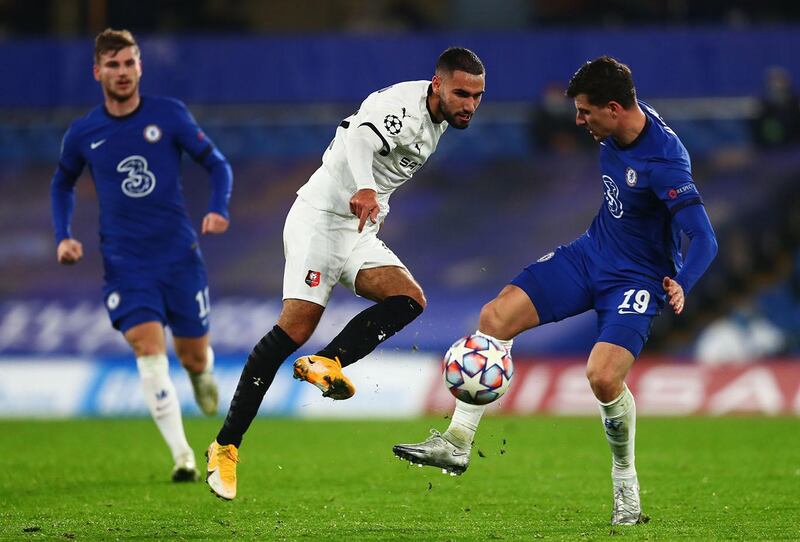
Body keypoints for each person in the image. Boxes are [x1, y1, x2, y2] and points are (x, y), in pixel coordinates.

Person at [393, 56, 718, 526]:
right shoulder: (622, 118)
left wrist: (683, 283)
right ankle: (457, 442)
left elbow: (705, 237)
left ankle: (625, 484)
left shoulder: (664, 164)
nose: (578, 120)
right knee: (496, 317)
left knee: (603, 378)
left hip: (638, 280)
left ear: (612, 108)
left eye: (585, 112)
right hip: (591, 255)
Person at [205, 47, 486, 500]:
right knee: (294, 330)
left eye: (477, 96)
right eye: (461, 93)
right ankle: (225, 446)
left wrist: (368, 198)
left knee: (409, 299)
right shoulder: (405, 108)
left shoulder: (437, 121)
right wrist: (366, 187)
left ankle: (330, 360)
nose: (469, 104)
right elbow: (358, 137)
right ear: (437, 84)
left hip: (358, 228)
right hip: (321, 220)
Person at [50, 29, 233, 482]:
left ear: (140, 67)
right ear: (97, 72)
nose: (123, 72)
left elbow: (217, 163)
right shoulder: (84, 132)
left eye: (129, 63)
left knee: (193, 359)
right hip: (126, 265)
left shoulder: (169, 115)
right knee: (148, 350)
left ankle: (202, 375)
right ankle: (184, 457)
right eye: (112, 65)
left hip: (179, 257)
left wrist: (217, 207)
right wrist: (63, 235)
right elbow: (62, 183)